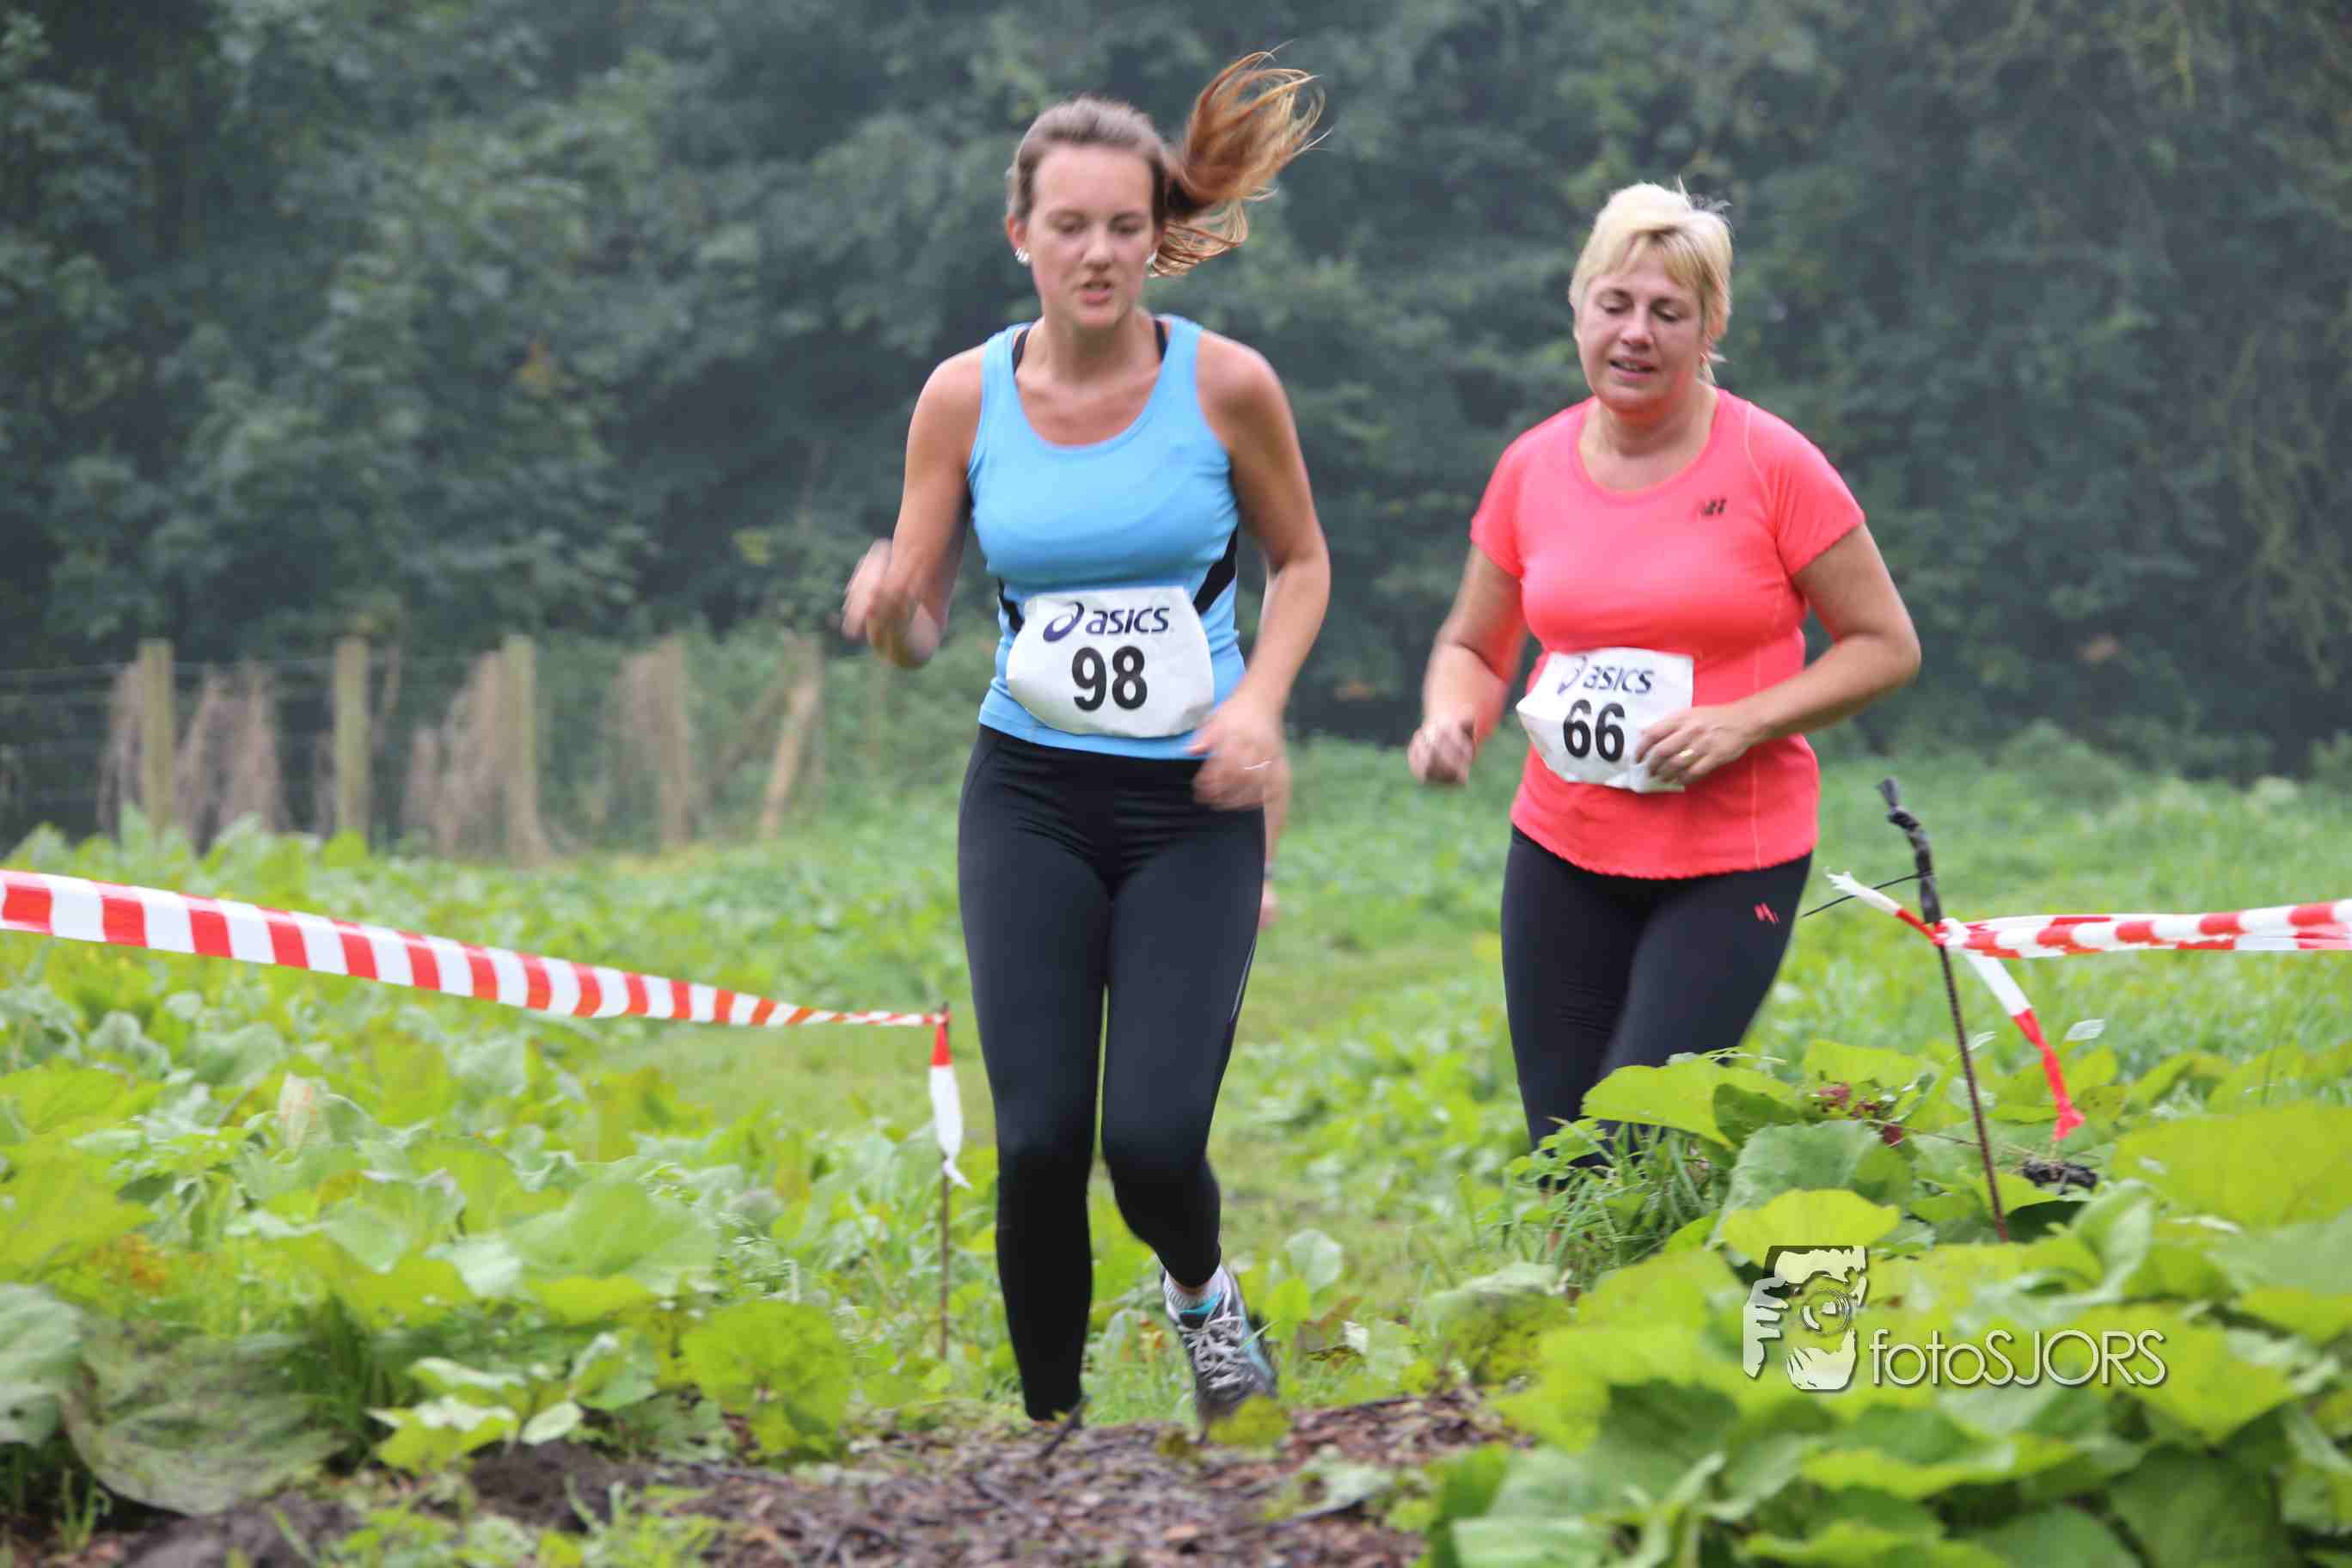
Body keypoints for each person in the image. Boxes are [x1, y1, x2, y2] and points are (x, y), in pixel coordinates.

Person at [840, 52, 1331, 1430]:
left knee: (1153, 1145)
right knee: (1043, 1142)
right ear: (1022, 237)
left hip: (1194, 806)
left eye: (1124, 225)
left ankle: (1205, 1301)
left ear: (1156, 235)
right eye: (1070, 226)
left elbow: (1302, 564)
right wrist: (884, 613)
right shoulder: (963, 398)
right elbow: (920, 625)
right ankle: (1052, 1439)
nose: (1099, 252)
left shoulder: (1228, 387)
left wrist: (1258, 702)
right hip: (1031, 799)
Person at [1406, 181, 1920, 1172]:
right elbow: (1472, 647)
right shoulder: (1531, 466)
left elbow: (1885, 644)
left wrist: (1745, 721)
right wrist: (1450, 721)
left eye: (1667, 313)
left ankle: (1730, 1254)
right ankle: (1599, 1280)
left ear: (1710, 328)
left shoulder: (1774, 464)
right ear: (1578, 309)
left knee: (1635, 1145)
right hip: (1561, 849)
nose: (1635, 333)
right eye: (1615, 304)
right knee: (1567, 1158)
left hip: (1731, 862)